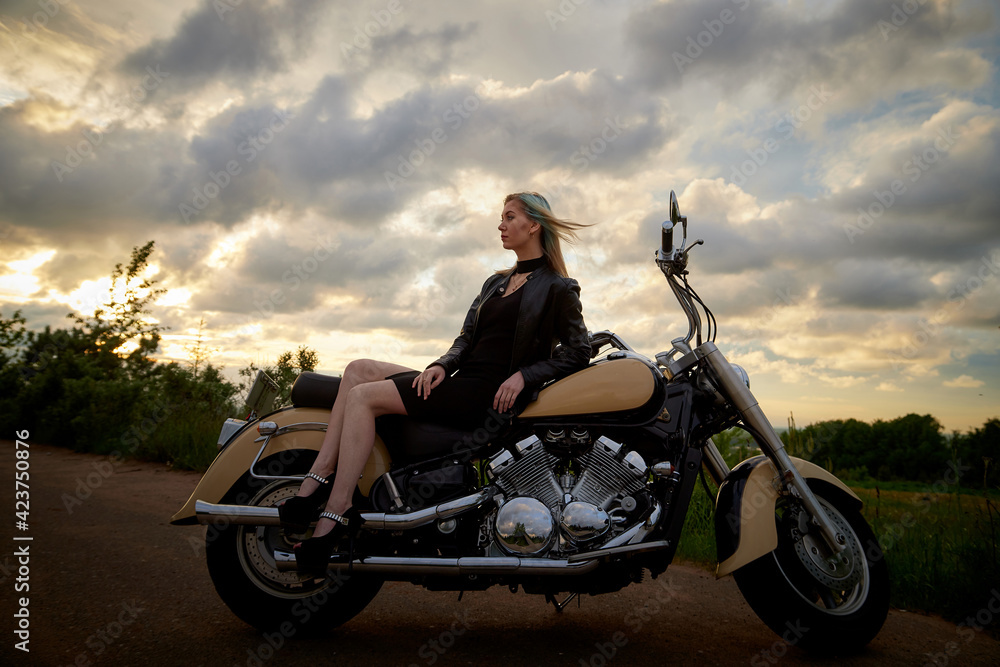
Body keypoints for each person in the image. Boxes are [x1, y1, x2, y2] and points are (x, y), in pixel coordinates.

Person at [282, 192, 592, 577]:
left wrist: (524, 375)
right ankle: (316, 481)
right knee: (357, 369)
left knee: (362, 397)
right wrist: (441, 365)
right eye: (501, 217)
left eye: (510, 217)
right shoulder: (496, 282)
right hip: (462, 382)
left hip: (487, 397)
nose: (500, 225)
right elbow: (466, 339)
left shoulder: (558, 287)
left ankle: (337, 509)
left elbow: (579, 351)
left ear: (533, 225)